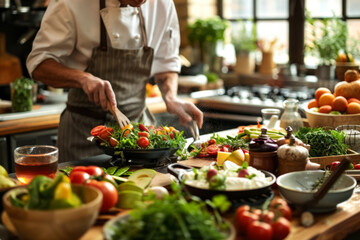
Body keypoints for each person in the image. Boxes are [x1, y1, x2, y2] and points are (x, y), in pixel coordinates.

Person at [26, 0, 203, 162]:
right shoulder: (70, 3)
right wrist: (82, 78)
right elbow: (39, 63)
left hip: (140, 138)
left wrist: (171, 98)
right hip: (83, 135)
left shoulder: (162, 3)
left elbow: (166, 61)